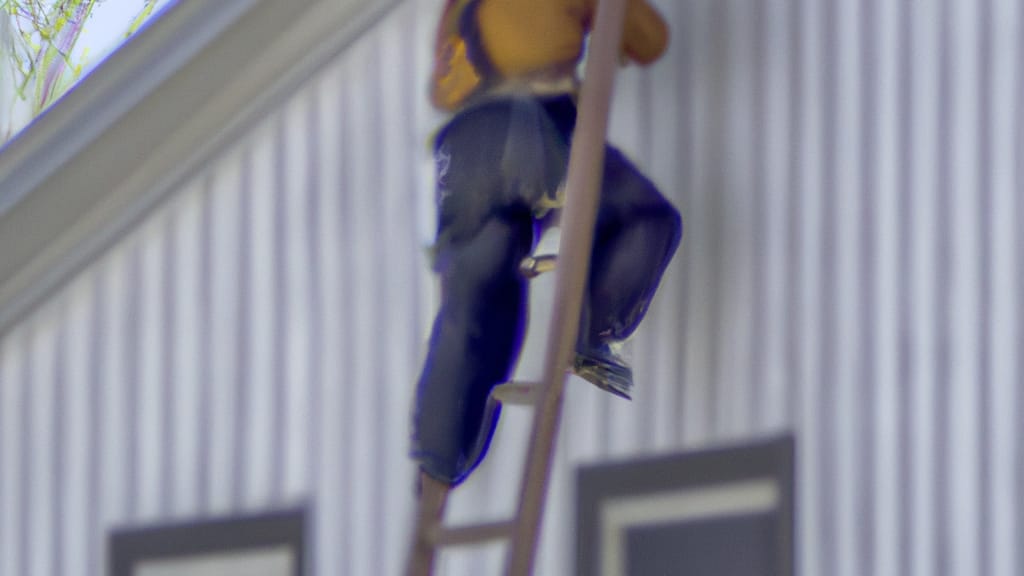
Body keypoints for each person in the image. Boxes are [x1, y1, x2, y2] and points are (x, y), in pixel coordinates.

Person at [411, 0, 682, 487]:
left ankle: (437, 457)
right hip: (536, 124)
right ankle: (591, 337)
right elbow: (651, 40)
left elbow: (441, 86)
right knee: (645, 217)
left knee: (479, 299)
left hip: (466, 146)